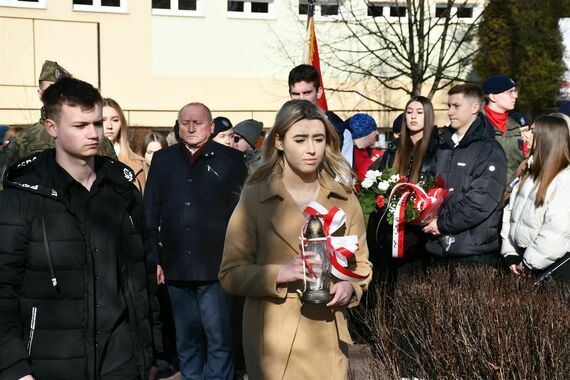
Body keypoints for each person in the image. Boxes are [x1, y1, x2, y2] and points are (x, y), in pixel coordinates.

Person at [0, 77, 159, 380]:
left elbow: (142, 277)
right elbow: (3, 290)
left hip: (121, 359)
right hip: (50, 362)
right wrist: (13, 366)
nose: (93, 133)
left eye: (97, 123)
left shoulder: (122, 190)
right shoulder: (21, 197)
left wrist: (149, 353)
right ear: (52, 128)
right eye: (80, 125)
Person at [218, 99, 371, 380]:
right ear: (279, 141)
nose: (311, 149)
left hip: (326, 336)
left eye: (319, 139)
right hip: (273, 340)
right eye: (300, 139)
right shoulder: (255, 197)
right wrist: (280, 273)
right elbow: (230, 274)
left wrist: (351, 287)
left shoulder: (344, 198)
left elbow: (361, 264)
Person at [144, 102, 247, 380]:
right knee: (187, 341)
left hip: (217, 266)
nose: (190, 128)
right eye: (184, 122)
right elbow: (150, 213)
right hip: (176, 266)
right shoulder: (164, 160)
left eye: (197, 122)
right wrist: (153, 259)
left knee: (219, 339)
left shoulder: (231, 160)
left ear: (211, 127)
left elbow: (243, 216)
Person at [423, 84, 507, 267]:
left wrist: (442, 224)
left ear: (475, 108)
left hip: (472, 254)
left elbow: (481, 201)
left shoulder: (490, 150)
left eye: (456, 106)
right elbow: (430, 189)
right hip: (438, 249)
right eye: (448, 106)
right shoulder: (443, 146)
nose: (450, 112)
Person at [367, 96, 439, 279]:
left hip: (421, 237)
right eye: (409, 112)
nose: (413, 117)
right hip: (391, 231)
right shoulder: (393, 149)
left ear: (429, 116)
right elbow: (377, 183)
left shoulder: (438, 149)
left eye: (419, 112)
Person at [3, 60, 116, 169]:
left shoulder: (97, 139)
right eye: (51, 90)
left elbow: (115, 177)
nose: (57, 96)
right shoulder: (23, 140)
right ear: (40, 93)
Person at [501, 115, 570, 281]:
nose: (525, 135)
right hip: (522, 261)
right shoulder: (530, 172)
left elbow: (556, 231)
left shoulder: (564, 179)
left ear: (547, 138)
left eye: (532, 131)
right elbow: (510, 214)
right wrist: (511, 253)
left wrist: (529, 262)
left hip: (550, 269)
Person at [288, 64, 354, 166]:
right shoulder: (282, 127)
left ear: (319, 92)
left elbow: (345, 176)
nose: (301, 99)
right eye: (296, 94)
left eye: (306, 93)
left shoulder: (339, 130)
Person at [481, 75, 524, 182]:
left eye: (515, 91)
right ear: (493, 97)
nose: (515, 96)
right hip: (481, 193)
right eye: (510, 92)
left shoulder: (517, 127)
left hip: (510, 194)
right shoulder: (475, 123)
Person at [102, 98, 146, 193]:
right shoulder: (83, 162)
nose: (109, 126)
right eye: (103, 120)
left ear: (122, 124)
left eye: (115, 120)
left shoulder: (139, 164)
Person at [348, 113, 382, 181]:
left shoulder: (378, 154)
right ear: (366, 132)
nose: (377, 133)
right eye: (375, 129)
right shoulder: (348, 156)